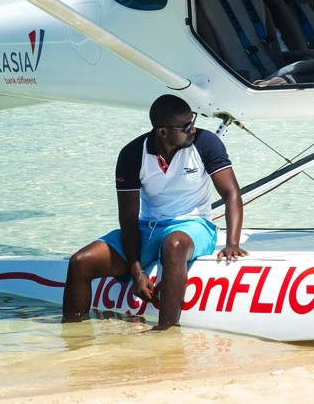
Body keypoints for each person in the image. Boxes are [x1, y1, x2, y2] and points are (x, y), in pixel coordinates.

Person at [62, 94, 246, 329]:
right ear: (162, 132)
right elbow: (128, 220)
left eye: (193, 121)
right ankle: (73, 339)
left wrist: (232, 242)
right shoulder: (131, 154)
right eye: (186, 126)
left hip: (194, 225)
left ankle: (165, 332)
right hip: (147, 228)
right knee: (80, 262)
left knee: (174, 245)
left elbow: (231, 194)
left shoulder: (205, 143)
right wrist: (136, 271)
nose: (193, 129)